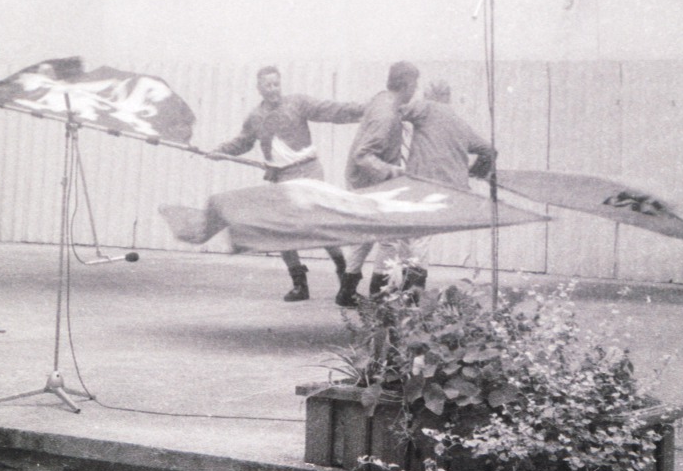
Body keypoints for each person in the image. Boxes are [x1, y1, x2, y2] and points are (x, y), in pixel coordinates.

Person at [209, 66, 365, 302]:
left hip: (309, 172)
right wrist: (220, 151)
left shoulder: (298, 103)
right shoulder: (255, 117)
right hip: (280, 177)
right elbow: (243, 142)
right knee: (280, 231)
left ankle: (345, 277)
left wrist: (364, 110)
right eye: (267, 85)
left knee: (319, 226)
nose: (273, 89)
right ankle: (299, 284)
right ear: (259, 88)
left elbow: (330, 110)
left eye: (276, 84)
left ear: (280, 84)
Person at [392, 80, 495, 291]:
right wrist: (476, 172)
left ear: (429, 95)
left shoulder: (427, 107)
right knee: (416, 235)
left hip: (423, 184)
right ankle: (410, 286)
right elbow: (489, 151)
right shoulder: (458, 120)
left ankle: (413, 289)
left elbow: (396, 111)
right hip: (452, 191)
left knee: (411, 235)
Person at [338, 61, 420, 306]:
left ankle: (347, 290)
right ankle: (379, 294)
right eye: (414, 84)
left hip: (360, 179)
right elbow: (363, 155)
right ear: (406, 84)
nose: (415, 90)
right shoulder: (386, 114)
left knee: (366, 234)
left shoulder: (382, 99)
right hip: (369, 182)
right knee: (389, 238)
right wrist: (392, 171)